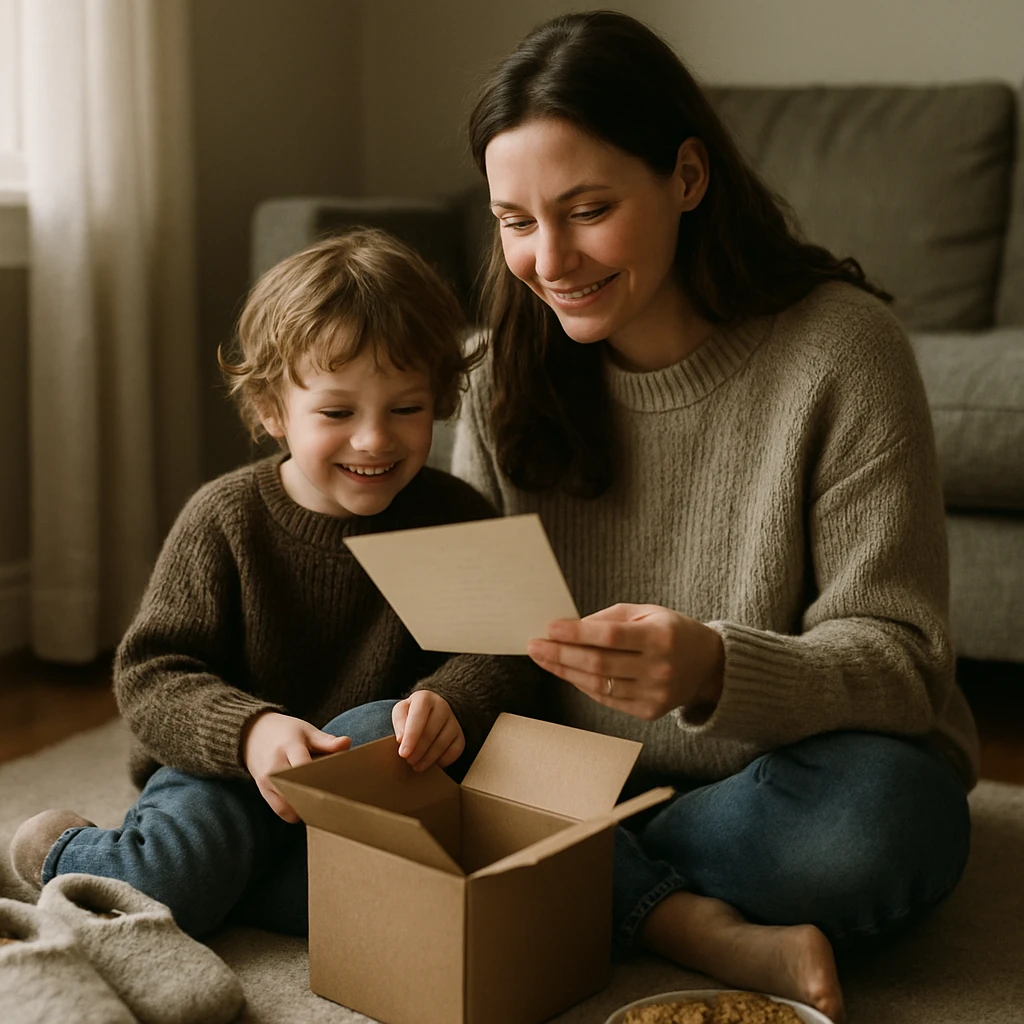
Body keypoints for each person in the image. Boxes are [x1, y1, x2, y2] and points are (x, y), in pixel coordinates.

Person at [454, 11, 978, 1023]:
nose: (549, 259)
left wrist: (712, 668)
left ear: (686, 178)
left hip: (778, 777)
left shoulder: (842, 351)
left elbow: (907, 661)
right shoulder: (495, 372)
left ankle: (585, 880)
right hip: (564, 774)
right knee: (354, 749)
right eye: (515, 222)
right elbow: (478, 657)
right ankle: (672, 914)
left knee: (881, 824)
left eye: (587, 208)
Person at [10, 228, 536, 938]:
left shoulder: (450, 514)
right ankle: (66, 847)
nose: (375, 439)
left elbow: (509, 653)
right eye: (338, 412)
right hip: (226, 778)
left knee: (416, 851)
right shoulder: (226, 519)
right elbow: (152, 676)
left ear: (440, 400)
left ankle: (255, 883)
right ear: (270, 410)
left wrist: (454, 700)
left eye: (405, 409)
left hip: (373, 787)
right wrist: (251, 733)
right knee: (171, 886)